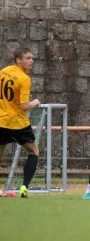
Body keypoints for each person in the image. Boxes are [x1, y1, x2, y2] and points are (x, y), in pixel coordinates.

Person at [0, 47, 41, 198]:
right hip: (18, 124)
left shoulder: (3, 72)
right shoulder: (24, 79)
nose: (32, 61)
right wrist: (35, 102)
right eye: (28, 58)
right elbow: (24, 106)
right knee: (33, 151)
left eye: (32, 58)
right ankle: (24, 187)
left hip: (1, 122)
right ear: (18, 60)